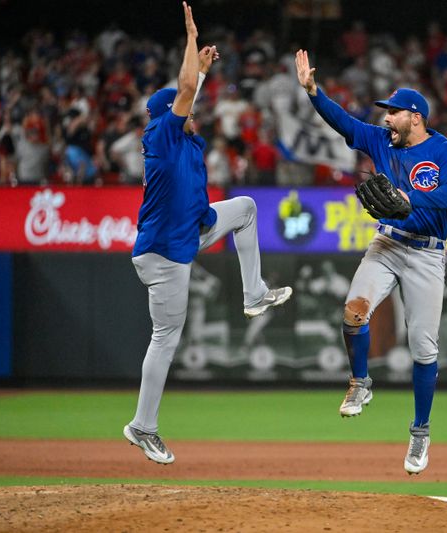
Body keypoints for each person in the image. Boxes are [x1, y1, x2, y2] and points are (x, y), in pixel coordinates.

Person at [123, 3, 292, 465]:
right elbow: (183, 91)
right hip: (164, 254)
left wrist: (197, 70)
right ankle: (142, 426)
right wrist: (191, 41)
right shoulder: (161, 137)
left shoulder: (179, 139)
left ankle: (253, 294)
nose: (190, 110)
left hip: (188, 232)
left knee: (245, 208)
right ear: (167, 115)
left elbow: (187, 94)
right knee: (166, 338)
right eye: (183, 108)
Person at [295, 49, 447, 475]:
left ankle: (421, 431)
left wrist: (413, 197)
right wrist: (314, 92)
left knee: (423, 348)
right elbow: (345, 124)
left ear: (415, 116)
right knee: (353, 314)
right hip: (388, 244)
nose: (386, 118)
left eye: (393, 112)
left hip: (427, 253)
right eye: (386, 112)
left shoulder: (445, 151)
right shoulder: (379, 140)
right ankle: (360, 382)